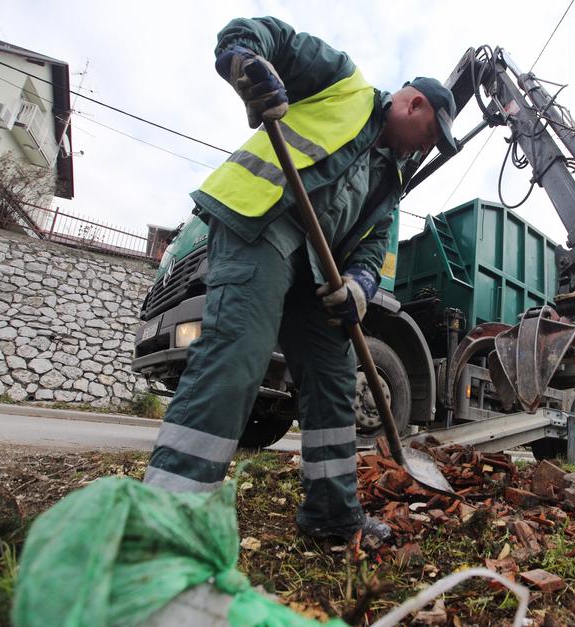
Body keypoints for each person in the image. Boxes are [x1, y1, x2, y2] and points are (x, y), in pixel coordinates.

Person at [143, 16, 457, 542]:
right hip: (259, 224)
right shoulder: (345, 84)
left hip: (314, 270)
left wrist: (357, 288)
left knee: (335, 382)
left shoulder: (392, 183)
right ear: (413, 105)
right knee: (237, 358)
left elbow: (373, 250)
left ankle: (332, 517)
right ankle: (167, 518)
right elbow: (262, 35)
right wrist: (247, 64)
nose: (421, 149)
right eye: (427, 137)